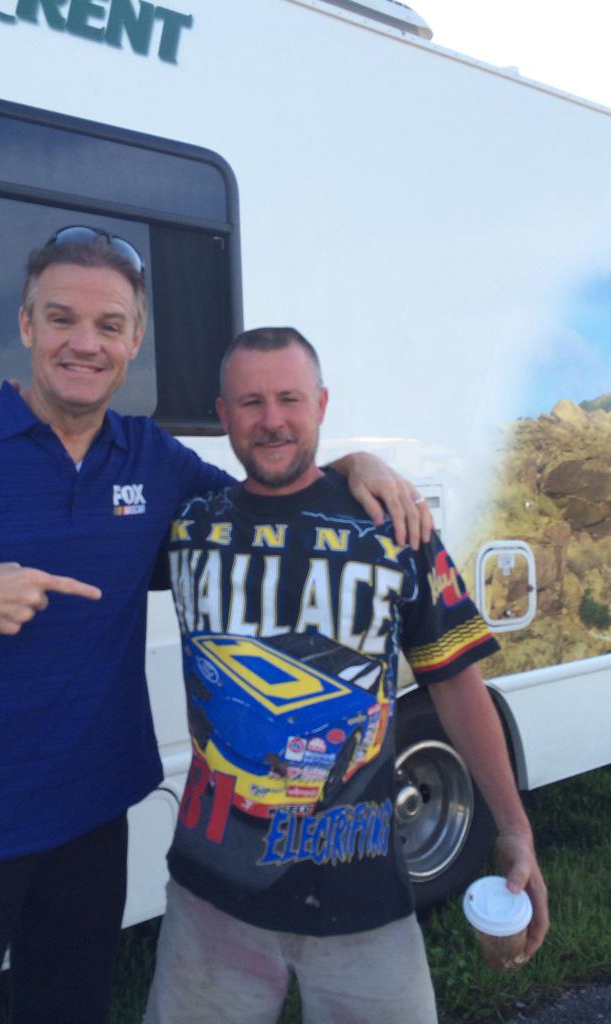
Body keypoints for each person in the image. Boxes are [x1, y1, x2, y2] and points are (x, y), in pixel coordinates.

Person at [0, 231, 430, 1024]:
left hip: (89, 827)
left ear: (134, 340)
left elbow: (268, 503)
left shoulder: (150, 457)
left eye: (109, 325)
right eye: (62, 319)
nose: (85, 343)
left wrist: (354, 466)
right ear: (25, 326)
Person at [144, 327, 549, 1024]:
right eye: (251, 403)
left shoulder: (394, 526)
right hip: (210, 897)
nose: (272, 420)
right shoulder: (187, 526)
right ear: (223, 414)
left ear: (323, 404)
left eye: (290, 399)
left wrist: (514, 827)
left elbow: (455, 683)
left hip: (364, 897)